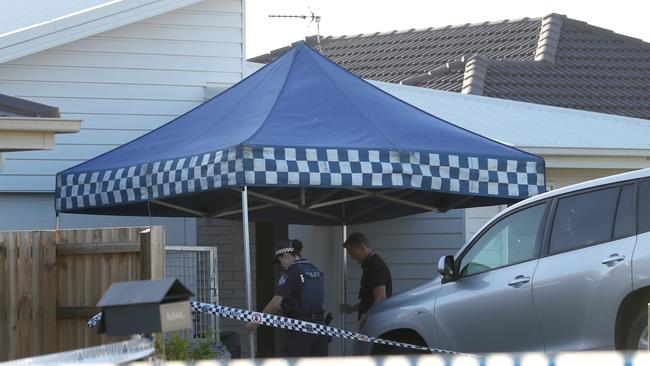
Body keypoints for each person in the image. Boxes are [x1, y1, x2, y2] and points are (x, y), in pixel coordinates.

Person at [245, 239, 328, 357]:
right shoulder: (314, 269)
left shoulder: (290, 272)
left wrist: (256, 322)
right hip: (320, 326)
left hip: (299, 328)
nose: (281, 264)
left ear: (285, 255)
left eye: (279, 260)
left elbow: (275, 304)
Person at [340, 232, 392, 331]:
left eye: (352, 252)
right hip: (373, 323)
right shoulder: (370, 265)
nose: (352, 257)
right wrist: (352, 309)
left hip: (374, 325)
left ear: (362, 248)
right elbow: (370, 299)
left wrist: (364, 319)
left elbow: (380, 298)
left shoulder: (375, 266)